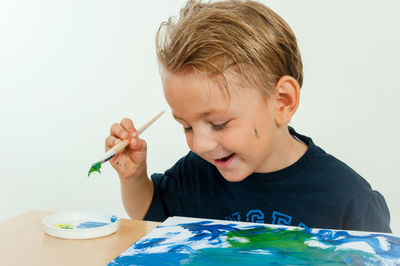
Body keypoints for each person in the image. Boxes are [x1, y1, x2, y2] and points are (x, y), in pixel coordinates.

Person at [105, 0, 391, 232]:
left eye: (219, 124)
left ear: (282, 102)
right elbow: (149, 215)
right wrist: (133, 178)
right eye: (186, 126)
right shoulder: (195, 174)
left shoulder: (349, 201)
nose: (200, 144)